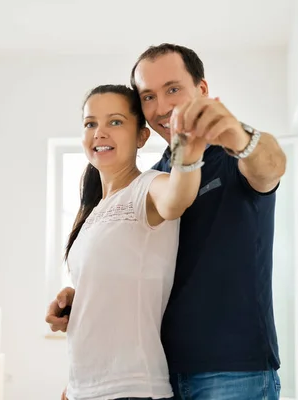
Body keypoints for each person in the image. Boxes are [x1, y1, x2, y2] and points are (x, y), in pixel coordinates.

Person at [48, 44, 287, 400]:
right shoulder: (155, 178)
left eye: (172, 89)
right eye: (148, 96)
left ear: (201, 91)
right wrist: (84, 298)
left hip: (232, 369)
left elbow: (272, 166)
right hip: (164, 371)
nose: (161, 107)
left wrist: (238, 135)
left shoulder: (234, 157)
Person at [58, 83, 207, 400]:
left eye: (115, 122)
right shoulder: (93, 211)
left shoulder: (150, 186)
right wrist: (74, 298)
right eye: (90, 123)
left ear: (142, 135)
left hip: (132, 388)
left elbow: (178, 198)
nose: (99, 132)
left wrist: (187, 150)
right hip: (83, 388)